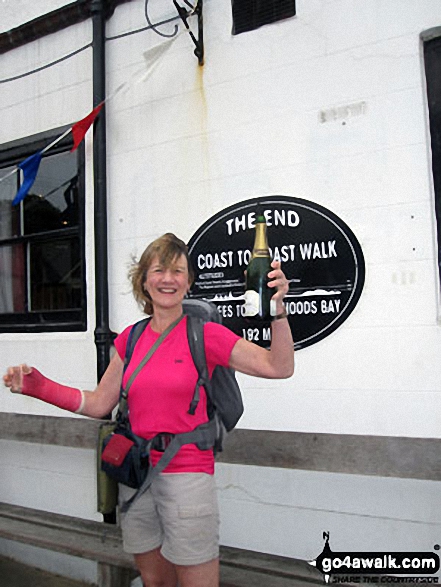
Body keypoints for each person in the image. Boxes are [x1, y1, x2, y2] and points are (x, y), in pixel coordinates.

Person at [3, 233, 294, 587]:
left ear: (188, 282)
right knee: (155, 582)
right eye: (159, 270)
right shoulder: (132, 338)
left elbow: (278, 367)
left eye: (178, 270)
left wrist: (278, 310)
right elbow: (98, 404)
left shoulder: (207, 335)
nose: (168, 279)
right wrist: (39, 386)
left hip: (187, 476)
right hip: (137, 475)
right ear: (143, 280)